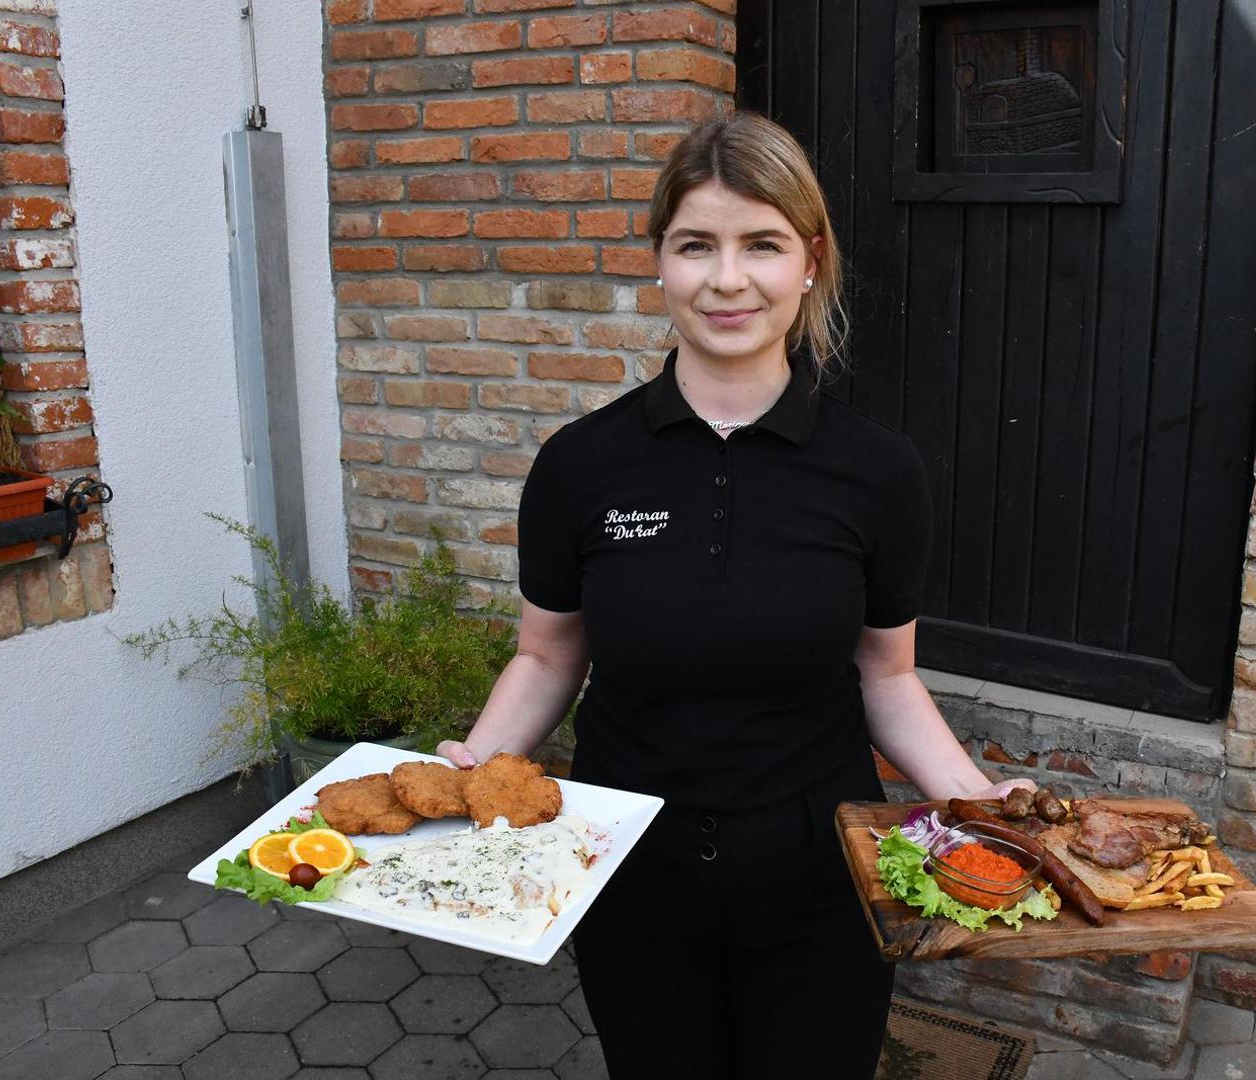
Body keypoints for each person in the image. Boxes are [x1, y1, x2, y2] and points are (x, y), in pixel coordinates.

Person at [438, 110, 1034, 1080]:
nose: (726, 279)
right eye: (694, 246)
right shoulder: (580, 465)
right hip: (626, 871)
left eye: (760, 244)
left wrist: (975, 800)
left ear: (809, 262)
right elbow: (547, 654)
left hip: (821, 881)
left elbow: (887, 676)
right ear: (659, 264)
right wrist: (478, 763)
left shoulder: (878, 473)